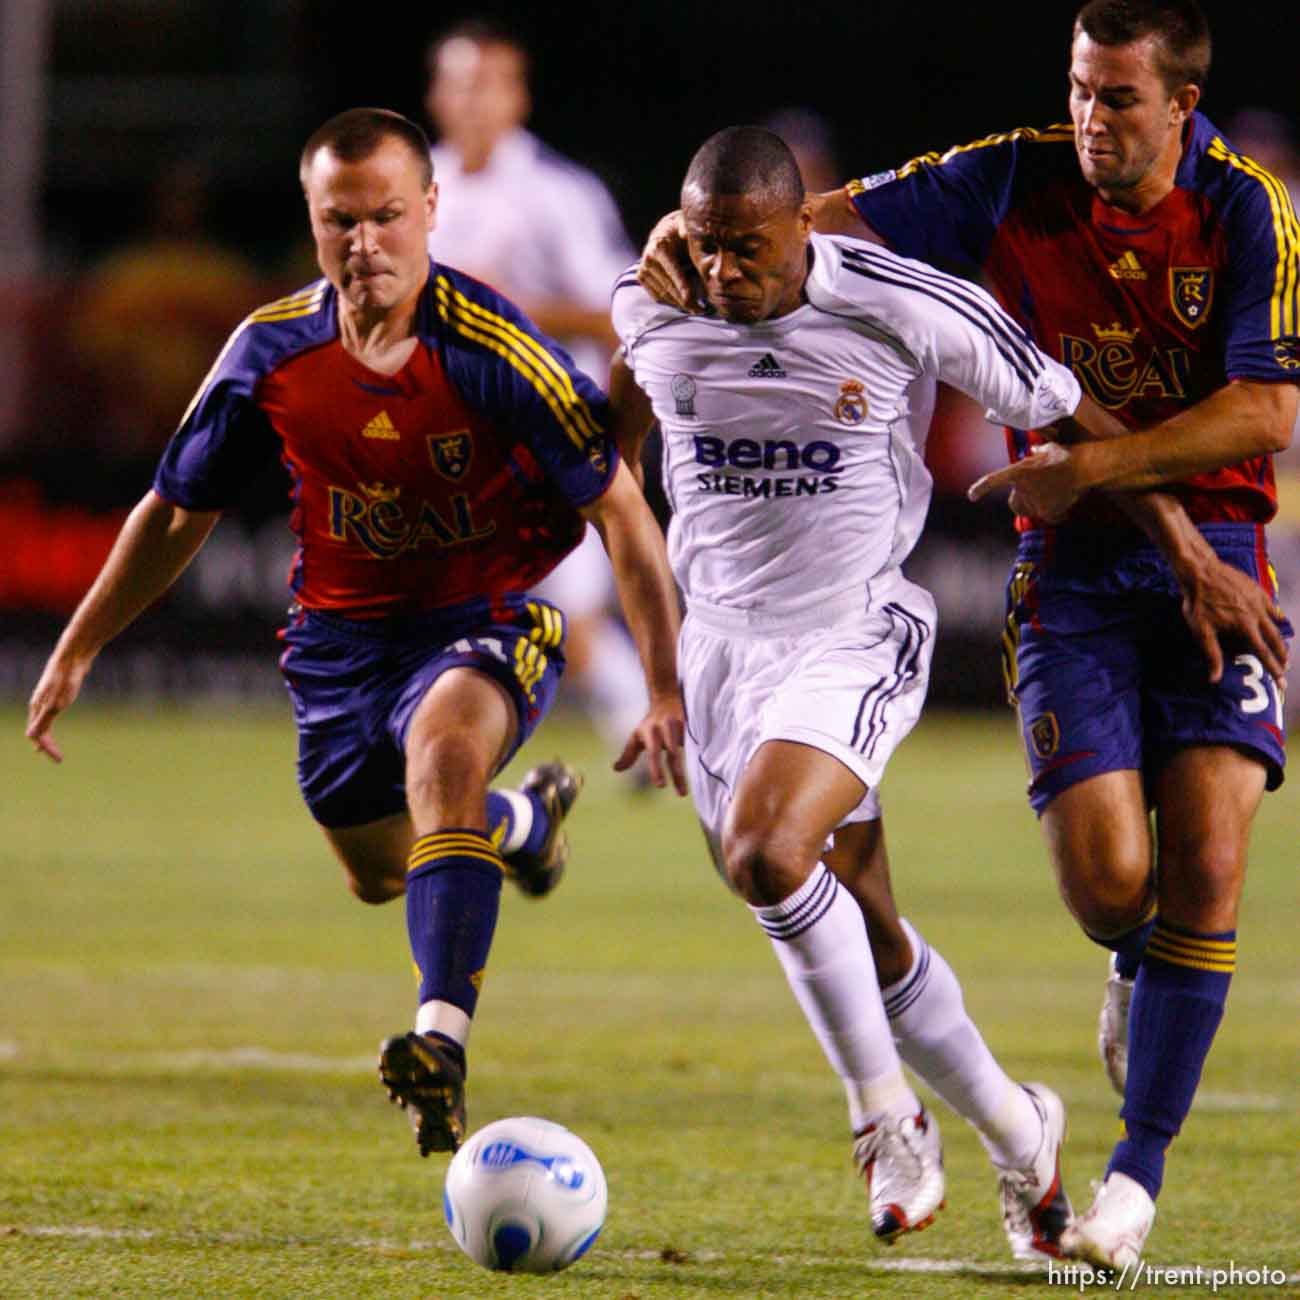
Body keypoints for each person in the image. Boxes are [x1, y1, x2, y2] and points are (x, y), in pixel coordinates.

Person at [640, 0, 1295, 1269]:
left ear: (1180, 105)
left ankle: (1129, 1182)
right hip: (1070, 564)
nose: (1089, 119)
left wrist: (1096, 467)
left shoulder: (1247, 208)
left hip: (1214, 549)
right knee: (1111, 889)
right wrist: (690, 229)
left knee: (1206, 861)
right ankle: (1116, 976)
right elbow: (814, 217)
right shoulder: (1005, 175)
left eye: (1116, 98)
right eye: (1078, 90)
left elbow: (1263, 413)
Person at [26, 107, 687, 1159]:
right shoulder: (269, 351)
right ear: (312, 219)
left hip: (486, 617)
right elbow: (172, 510)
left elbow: (621, 513)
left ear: (430, 211)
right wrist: (80, 643)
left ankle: (440, 1040)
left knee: (444, 754)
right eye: (342, 220)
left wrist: (662, 687)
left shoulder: (494, 348)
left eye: (387, 216)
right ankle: (518, 828)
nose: (365, 242)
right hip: (339, 648)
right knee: (381, 870)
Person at [611, 123, 1110, 1256]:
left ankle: (883, 1116)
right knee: (866, 934)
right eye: (707, 247)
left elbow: (1061, 398)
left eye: (750, 248)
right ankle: (1019, 1133)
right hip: (722, 657)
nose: (726, 273)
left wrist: (1185, 542)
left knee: (766, 855)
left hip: (851, 632)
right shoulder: (654, 306)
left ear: (804, 226)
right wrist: (655, 667)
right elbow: (610, 456)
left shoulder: (896, 300)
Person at [423, 20, 651, 766]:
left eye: (488, 82)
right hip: (436, 429)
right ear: (435, 94)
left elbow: (624, 311)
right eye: (459, 82)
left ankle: (651, 728)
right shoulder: (418, 185)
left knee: (571, 603)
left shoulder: (558, 193)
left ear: (518, 96)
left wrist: (502, 305)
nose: (472, 99)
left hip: (540, 423)